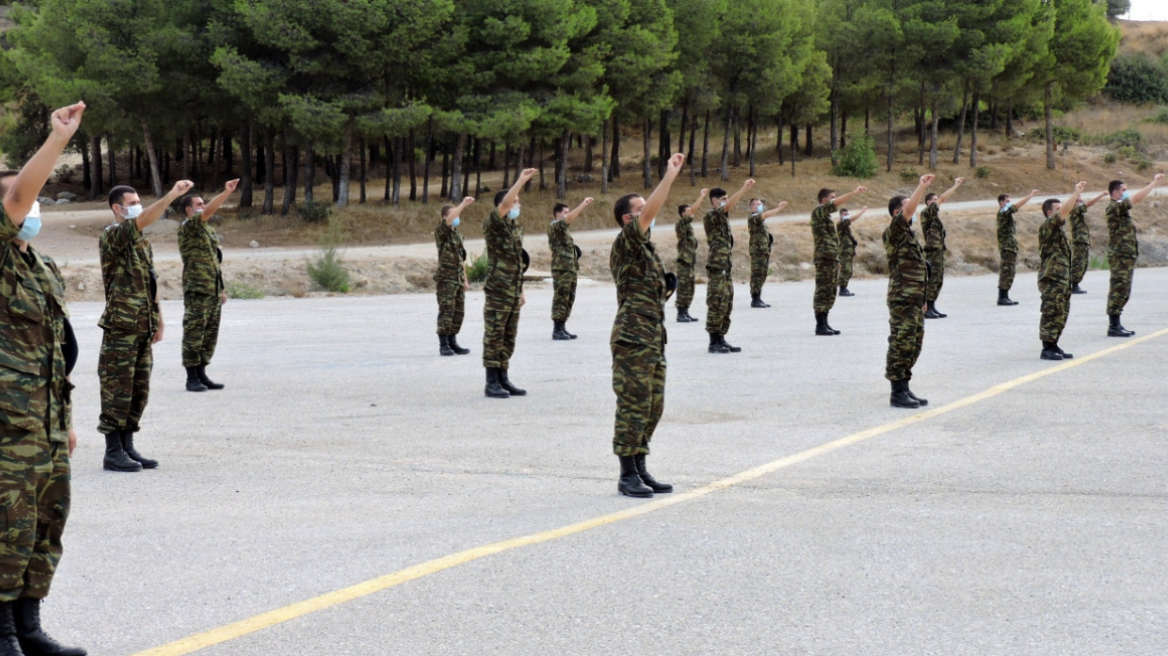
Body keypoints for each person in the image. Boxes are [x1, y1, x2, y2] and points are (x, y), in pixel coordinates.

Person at [0, 102, 89, 656]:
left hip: (47, 423)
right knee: (5, 531)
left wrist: (68, 422)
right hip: (6, 425)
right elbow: (15, 196)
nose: (29, 205)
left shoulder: (44, 267)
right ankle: (2, 634)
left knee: (44, 528)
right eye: (19, 198)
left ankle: (29, 629)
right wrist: (57, 140)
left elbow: (58, 352)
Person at [100, 178, 195, 471]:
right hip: (122, 326)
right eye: (132, 203)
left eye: (138, 202)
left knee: (138, 389)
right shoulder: (113, 235)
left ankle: (128, 447)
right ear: (118, 208)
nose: (137, 207)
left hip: (143, 323)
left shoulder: (142, 241)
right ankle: (113, 452)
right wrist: (172, 195)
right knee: (118, 388)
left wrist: (160, 319)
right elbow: (142, 219)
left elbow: (151, 281)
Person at [609, 152, 687, 498]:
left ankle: (641, 467)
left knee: (653, 404)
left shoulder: (646, 251)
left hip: (652, 337)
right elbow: (652, 209)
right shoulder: (626, 242)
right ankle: (626, 475)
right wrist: (669, 176)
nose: (650, 214)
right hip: (633, 339)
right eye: (641, 210)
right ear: (629, 218)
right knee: (633, 404)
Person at [178, 179, 239, 391]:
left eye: (203, 203)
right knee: (194, 333)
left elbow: (215, 260)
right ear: (188, 210)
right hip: (197, 289)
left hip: (212, 289)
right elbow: (210, 211)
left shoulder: (208, 231)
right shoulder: (189, 227)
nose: (203, 207)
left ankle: (202, 374)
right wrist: (226, 192)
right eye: (199, 204)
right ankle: (191, 377)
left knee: (209, 334)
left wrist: (221, 289)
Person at [483, 168, 536, 397]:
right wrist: (521, 180)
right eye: (514, 201)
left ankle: (504, 378)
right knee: (495, 333)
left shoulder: (515, 228)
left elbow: (517, 262)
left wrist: (521, 289)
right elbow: (504, 205)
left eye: (519, 201)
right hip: (498, 290)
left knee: (508, 335)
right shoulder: (494, 223)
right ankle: (491, 382)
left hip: (512, 289)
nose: (518, 204)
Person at [884, 174, 935, 409]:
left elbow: (920, 271)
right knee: (901, 342)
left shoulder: (910, 238)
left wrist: (924, 300)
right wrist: (921, 187)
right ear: (897, 213)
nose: (913, 211)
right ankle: (896, 392)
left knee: (914, 344)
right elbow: (907, 210)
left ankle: (905, 386)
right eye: (908, 207)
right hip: (902, 298)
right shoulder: (893, 231)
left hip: (914, 299)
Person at [1104, 174, 1165, 337]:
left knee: (1124, 289)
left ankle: (1117, 323)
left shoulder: (1119, 208)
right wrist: (1154, 183)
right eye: (1123, 190)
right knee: (1118, 288)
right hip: (1119, 256)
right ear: (1115, 192)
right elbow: (1136, 199)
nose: (1126, 192)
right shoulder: (1113, 207)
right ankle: (1113, 325)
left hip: (1126, 255)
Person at [703, 180, 755, 353]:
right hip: (717, 266)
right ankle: (713, 342)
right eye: (723, 198)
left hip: (725, 265)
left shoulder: (723, 218)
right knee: (716, 302)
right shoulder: (711, 216)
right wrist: (744, 188)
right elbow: (727, 206)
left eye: (727, 198)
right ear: (714, 201)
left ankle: (721, 338)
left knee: (726, 302)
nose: (727, 201)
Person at [1036, 182, 1086, 361]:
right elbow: (1065, 211)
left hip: (1062, 279)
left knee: (1061, 312)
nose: (1062, 211)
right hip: (1051, 278)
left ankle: (1054, 344)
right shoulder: (1047, 226)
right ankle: (1046, 348)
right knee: (1051, 311)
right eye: (1057, 208)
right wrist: (1075, 193)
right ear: (1050, 213)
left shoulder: (1058, 232)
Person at [811, 185, 866, 335]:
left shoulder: (826, 216)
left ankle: (825, 322)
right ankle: (820, 325)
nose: (835, 200)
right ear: (824, 200)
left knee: (830, 291)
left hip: (830, 258)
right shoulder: (818, 211)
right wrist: (854, 192)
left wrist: (836, 259)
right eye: (832, 197)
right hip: (823, 258)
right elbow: (836, 204)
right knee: (822, 290)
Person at [548, 197, 594, 340]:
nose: (568, 214)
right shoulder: (555, 225)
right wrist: (583, 204)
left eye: (568, 211)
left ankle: (562, 327)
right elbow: (569, 219)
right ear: (558, 214)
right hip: (561, 269)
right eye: (565, 212)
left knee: (569, 298)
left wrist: (574, 251)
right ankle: (556, 329)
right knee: (561, 297)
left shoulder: (564, 230)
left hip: (569, 268)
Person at [434, 196, 475, 356]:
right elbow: (449, 220)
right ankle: (443, 345)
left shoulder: (457, 236)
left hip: (457, 279)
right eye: (454, 215)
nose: (457, 217)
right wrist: (463, 204)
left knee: (458, 312)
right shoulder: (441, 232)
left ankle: (453, 342)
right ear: (445, 217)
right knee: (447, 310)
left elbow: (461, 260)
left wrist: (464, 279)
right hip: (446, 279)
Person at [921, 177, 964, 318]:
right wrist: (955, 185)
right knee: (932, 279)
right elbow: (944, 199)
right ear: (928, 202)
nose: (936, 201)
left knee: (938, 279)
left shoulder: (934, 217)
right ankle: (926, 308)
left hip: (938, 250)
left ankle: (932, 306)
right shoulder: (926, 212)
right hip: (932, 251)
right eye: (934, 200)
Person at [995, 188, 1039, 306]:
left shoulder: (1006, 213)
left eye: (1009, 200)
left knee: (1010, 271)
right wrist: (1030, 195)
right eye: (1007, 201)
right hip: (1007, 247)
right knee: (1007, 271)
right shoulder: (1003, 212)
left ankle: (1005, 296)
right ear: (1001, 202)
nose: (1009, 203)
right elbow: (1017, 206)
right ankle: (1002, 297)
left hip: (1010, 246)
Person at [746, 197, 789, 308]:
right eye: (756, 204)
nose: (759, 206)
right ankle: (755, 299)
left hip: (763, 251)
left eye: (760, 204)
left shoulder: (761, 222)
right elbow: (765, 215)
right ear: (752, 206)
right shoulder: (753, 218)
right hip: (757, 251)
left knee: (763, 274)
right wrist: (779, 208)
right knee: (757, 274)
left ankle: (758, 297)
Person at [673, 188, 708, 323]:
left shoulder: (689, 227)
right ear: (683, 214)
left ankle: (686, 311)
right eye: (688, 212)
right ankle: (680, 313)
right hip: (684, 261)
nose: (691, 213)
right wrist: (701, 196)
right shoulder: (681, 224)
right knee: (683, 287)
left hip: (690, 261)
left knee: (690, 287)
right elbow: (693, 211)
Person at [1068, 191, 1107, 295]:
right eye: (1078, 199)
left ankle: (1074, 284)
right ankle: (1073, 285)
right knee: (1078, 264)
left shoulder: (1078, 212)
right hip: (1079, 242)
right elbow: (1088, 204)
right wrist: (1101, 195)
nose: (1081, 200)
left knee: (1083, 264)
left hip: (1083, 242)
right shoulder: (1074, 210)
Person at [836, 206, 867, 297]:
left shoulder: (847, 228)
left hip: (848, 252)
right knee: (845, 270)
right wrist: (862, 212)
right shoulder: (841, 224)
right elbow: (851, 219)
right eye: (845, 214)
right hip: (844, 252)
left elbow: (850, 240)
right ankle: (842, 289)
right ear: (840, 216)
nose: (847, 216)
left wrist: (854, 250)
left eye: (847, 214)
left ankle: (844, 288)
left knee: (849, 271)